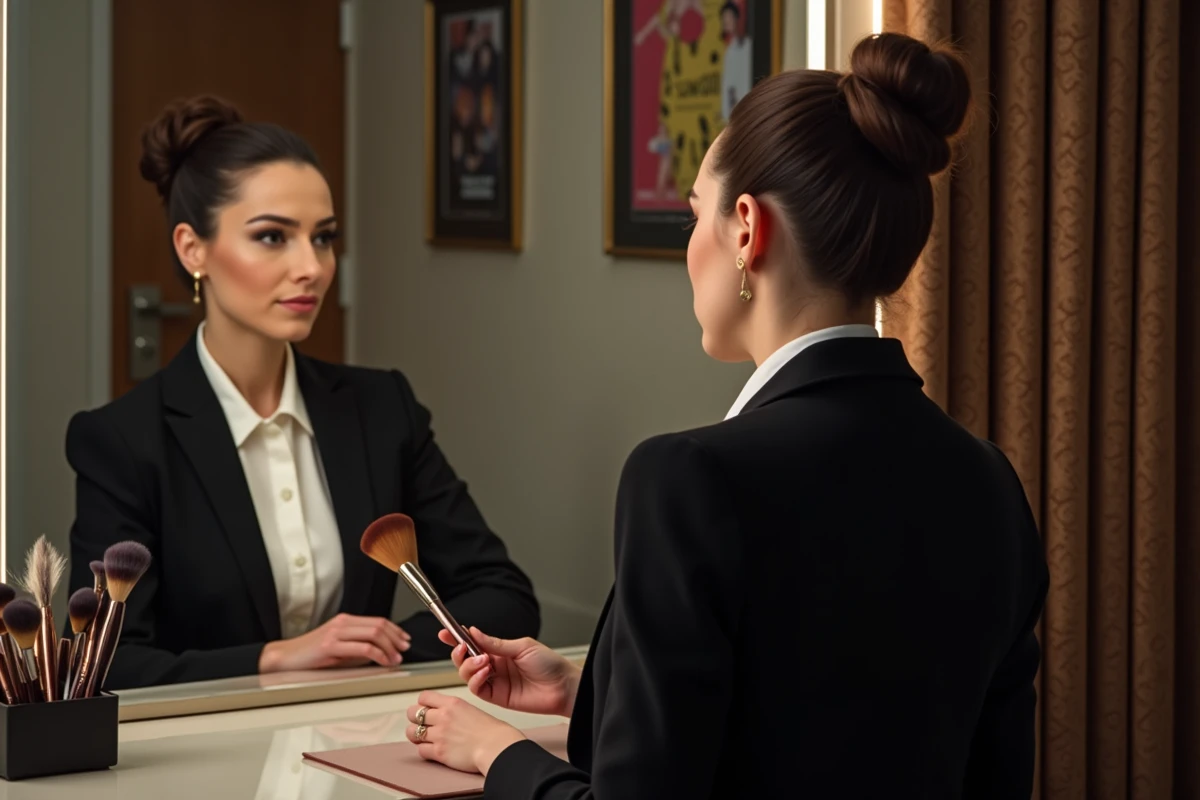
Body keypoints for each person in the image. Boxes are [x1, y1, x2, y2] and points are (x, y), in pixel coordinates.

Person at [400, 33, 1050, 798]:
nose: (690, 246)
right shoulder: (989, 484)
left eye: (693, 215)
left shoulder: (689, 478)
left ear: (746, 228)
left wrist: (498, 754)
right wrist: (592, 692)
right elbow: (841, 724)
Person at [65, 96, 540, 689]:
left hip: (358, 737)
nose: (312, 266)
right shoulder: (122, 441)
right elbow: (107, 662)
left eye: (324, 237)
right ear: (194, 250)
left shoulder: (382, 409)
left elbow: (503, 596)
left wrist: (370, 651)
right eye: (272, 237)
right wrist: (273, 660)